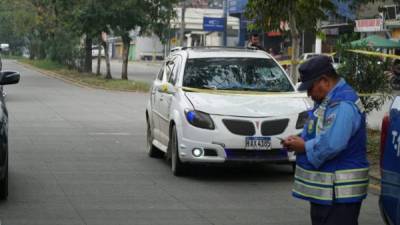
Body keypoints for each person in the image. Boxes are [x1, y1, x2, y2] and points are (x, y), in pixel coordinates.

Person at [281, 55, 369, 225]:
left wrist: (304, 146)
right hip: (329, 195)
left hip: (341, 195)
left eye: (310, 88)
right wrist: (299, 139)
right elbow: (321, 132)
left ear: (325, 81)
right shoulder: (327, 101)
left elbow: (332, 144)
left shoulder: (343, 104)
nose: (309, 94)